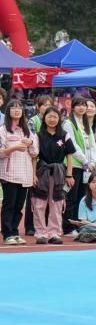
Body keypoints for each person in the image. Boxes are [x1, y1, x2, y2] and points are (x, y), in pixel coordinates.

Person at [31, 106, 77, 245]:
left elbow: (69, 156)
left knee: (57, 203)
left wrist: (69, 175)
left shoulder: (64, 135)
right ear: (44, 118)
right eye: (49, 116)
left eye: (55, 117)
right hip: (42, 172)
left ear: (59, 119)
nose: (52, 119)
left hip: (59, 173)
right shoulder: (38, 135)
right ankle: (40, 233)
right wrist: (33, 175)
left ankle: (54, 233)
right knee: (39, 203)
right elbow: (34, 157)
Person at [0, 98, 37, 246]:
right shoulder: (3, 130)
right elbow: (1, 153)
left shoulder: (26, 130)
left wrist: (31, 142)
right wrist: (14, 147)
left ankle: (15, 232)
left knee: (19, 206)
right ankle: (7, 234)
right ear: (8, 111)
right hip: (9, 173)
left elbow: (35, 152)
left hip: (25, 174)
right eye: (13, 108)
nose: (17, 110)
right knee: (9, 204)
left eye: (19, 108)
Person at [63, 96, 96, 233]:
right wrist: (85, 161)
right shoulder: (68, 123)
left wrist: (93, 161)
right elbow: (72, 145)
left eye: (84, 105)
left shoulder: (86, 123)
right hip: (74, 166)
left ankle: (78, 225)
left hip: (87, 168)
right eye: (78, 105)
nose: (82, 107)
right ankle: (68, 227)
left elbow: (92, 145)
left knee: (81, 198)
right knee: (71, 197)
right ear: (73, 108)